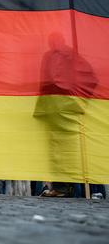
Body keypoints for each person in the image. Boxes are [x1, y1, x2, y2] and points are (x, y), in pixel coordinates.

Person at [34, 32, 97, 197]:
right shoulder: (54, 56)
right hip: (56, 107)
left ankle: (64, 188)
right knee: (58, 149)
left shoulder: (69, 56)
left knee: (63, 149)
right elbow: (45, 83)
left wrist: (80, 100)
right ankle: (62, 187)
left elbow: (90, 78)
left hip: (62, 106)